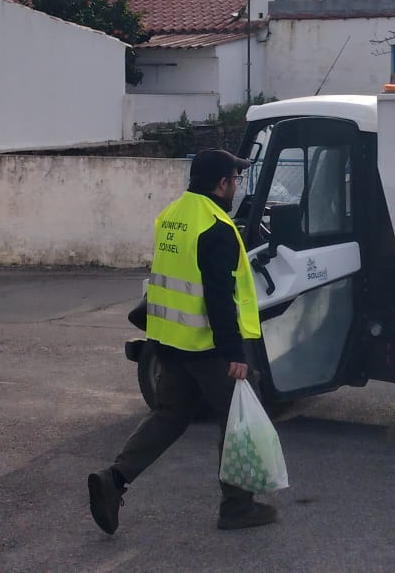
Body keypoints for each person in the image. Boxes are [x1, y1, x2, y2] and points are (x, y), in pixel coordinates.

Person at [89, 149, 279, 533]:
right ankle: (237, 506)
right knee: (239, 417)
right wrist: (234, 353)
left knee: (170, 415)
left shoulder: (171, 217)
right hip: (206, 347)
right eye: (235, 179)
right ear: (221, 184)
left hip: (168, 341)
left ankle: (115, 479)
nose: (237, 186)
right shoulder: (216, 228)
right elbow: (219, 297)